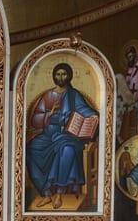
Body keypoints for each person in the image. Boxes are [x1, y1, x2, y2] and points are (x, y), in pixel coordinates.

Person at [26, 63, 98, 209]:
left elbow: (84, 110)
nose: (61, 77)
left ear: (69, 75)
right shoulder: (48, 96)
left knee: (67, 150)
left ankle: (58, 193)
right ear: (53, 76)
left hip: (69, 134)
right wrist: (49, 114)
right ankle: (46, 193)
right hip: (48, 135)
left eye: (64, 74)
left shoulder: (73, 95)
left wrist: (94, 116)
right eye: (58, 74)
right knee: (30, 150)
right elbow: (35, 120)